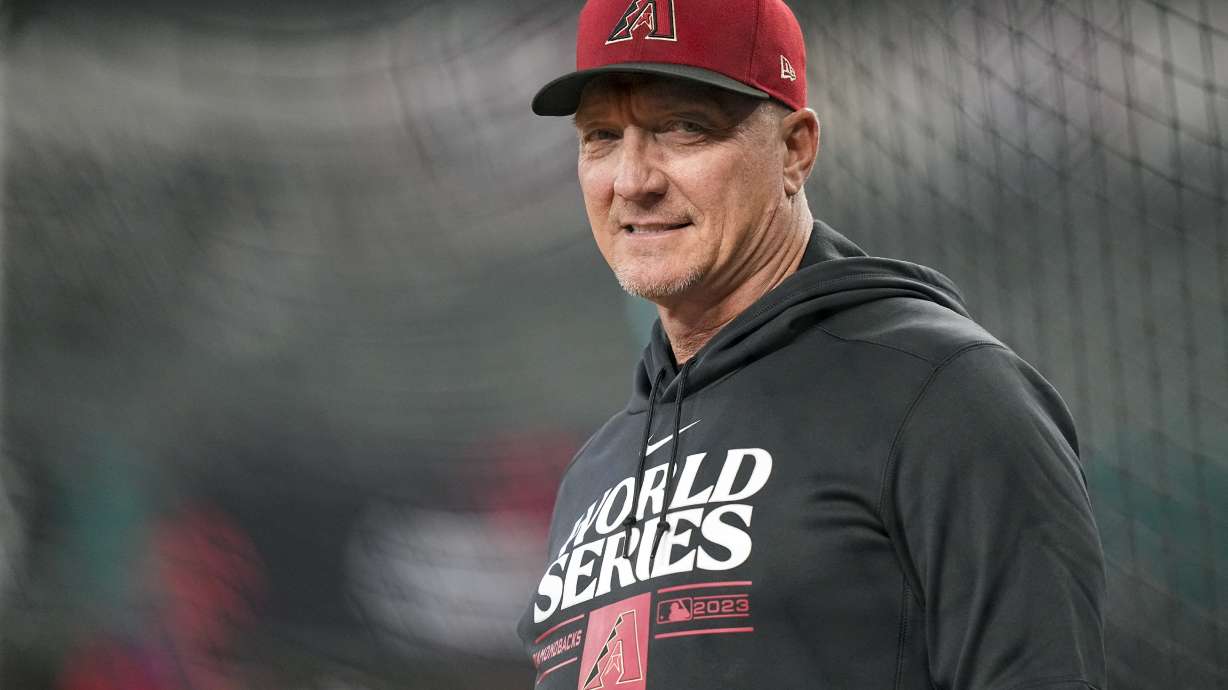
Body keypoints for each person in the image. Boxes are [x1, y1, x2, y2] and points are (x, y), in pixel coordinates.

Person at [516, 0, 1106, 688]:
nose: (633, 180)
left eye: (682, 128)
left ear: (795, 149)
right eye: (602, 136)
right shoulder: (596, 475)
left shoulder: (942, 396)